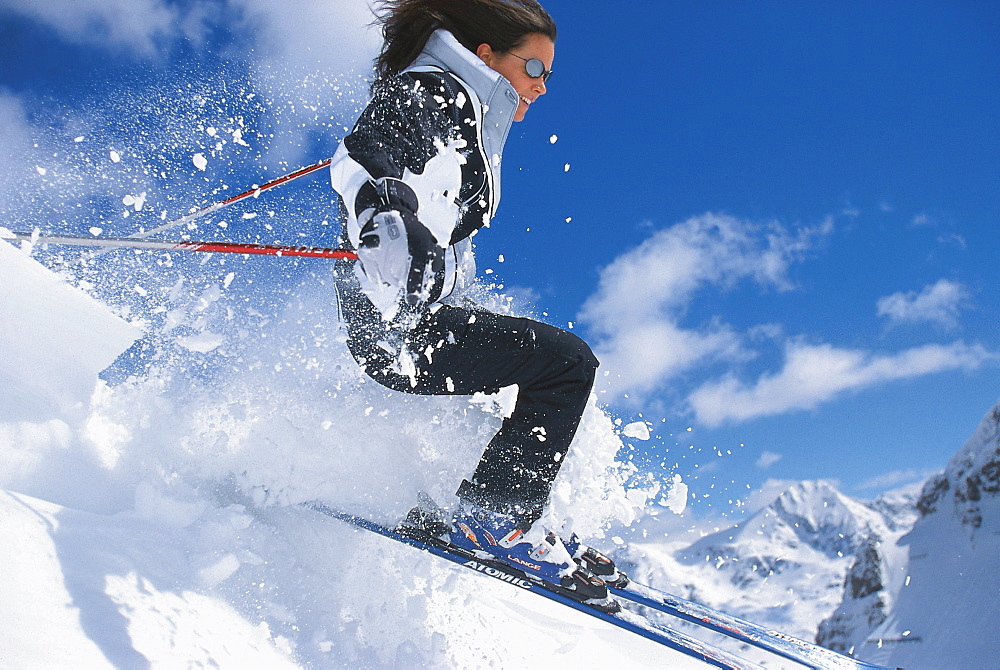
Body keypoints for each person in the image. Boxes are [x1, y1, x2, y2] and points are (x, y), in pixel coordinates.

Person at [328, 0, 623, 606]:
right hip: (398, 329)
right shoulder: (433, 93)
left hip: (407, 320)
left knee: (509, 383)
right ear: (486, 55)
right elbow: (367, 155)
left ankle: (506, 510)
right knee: (566, 363)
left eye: (548, 74)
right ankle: (494, 518)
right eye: (533, 68)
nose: (541, 87)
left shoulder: (469, 110)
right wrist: (386, 213)